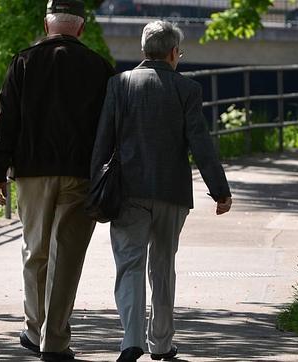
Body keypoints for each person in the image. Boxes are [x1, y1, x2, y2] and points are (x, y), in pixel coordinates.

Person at [90, 20, 232, 362]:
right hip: (172, 193)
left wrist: (93, 187)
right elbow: (201, 145)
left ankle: (131, 340)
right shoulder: (187, 90)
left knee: (130, 264)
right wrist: (220, 191)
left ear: (143, 51)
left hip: (127, 192)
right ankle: (162, 343)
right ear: (173, 53)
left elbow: (102, 142)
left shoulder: (118, 85)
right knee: (163, 266)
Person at [0, 1, 115, 361]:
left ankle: (33, 329)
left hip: (32, 172)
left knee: (35, 251)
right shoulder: (99, 68)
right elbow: (110, 127)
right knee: (68, 256)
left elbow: (5, 121)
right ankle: (54, 340)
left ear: (46, 25)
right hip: (81, 173)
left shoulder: (23, 62)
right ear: (81, 29)